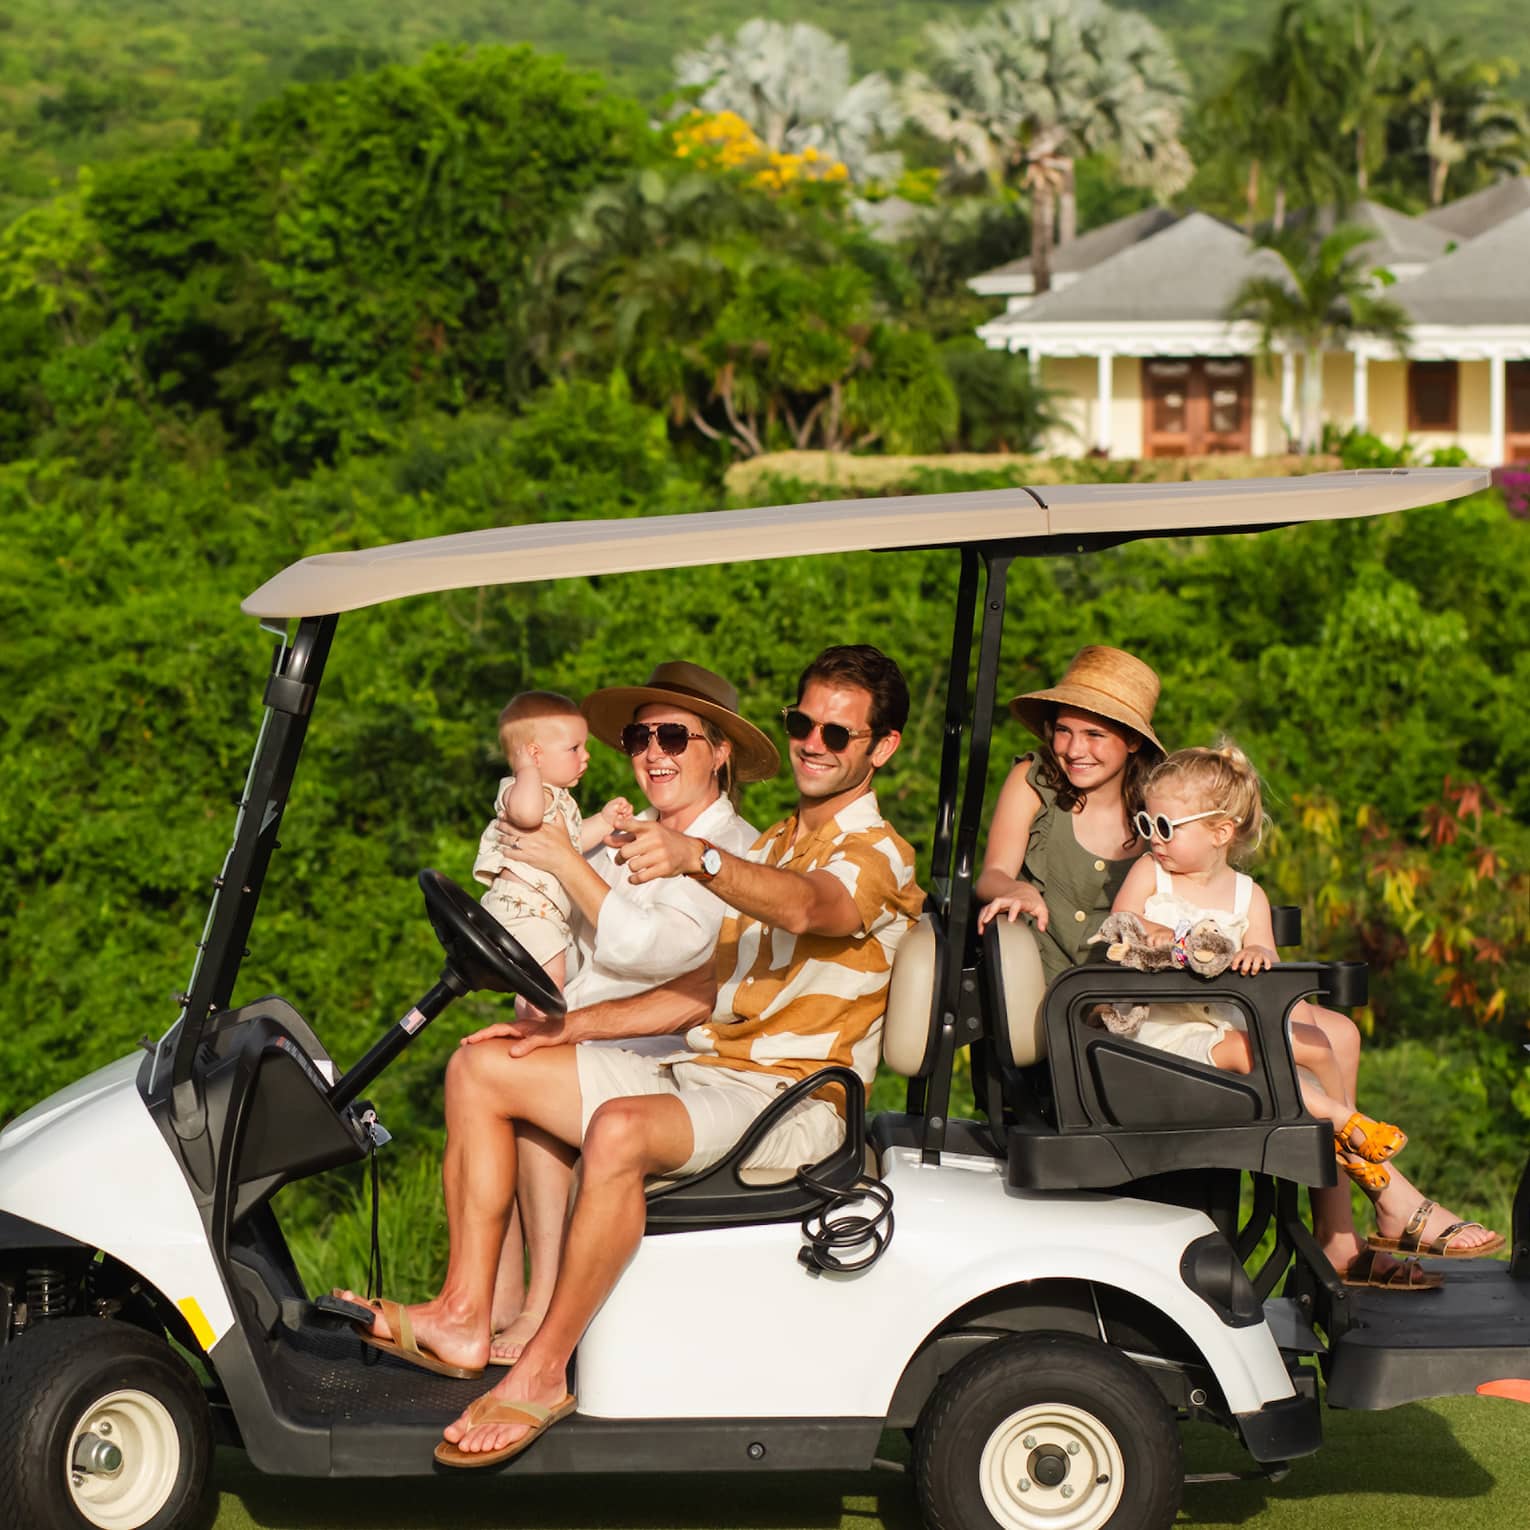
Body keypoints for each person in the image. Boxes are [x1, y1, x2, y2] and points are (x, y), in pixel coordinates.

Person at [341, 644, 925, 1466]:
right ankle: (465, 1312)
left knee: (618, 1129)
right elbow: (703, 990)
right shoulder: (787, 837)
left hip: (798, 1099)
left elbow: (812, 907)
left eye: (839, 733)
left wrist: (699, 858)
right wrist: (565, 1028)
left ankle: (542, 1370)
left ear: (882, 747)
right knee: (484, 1065)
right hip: (713, 1072)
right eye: (803, 723)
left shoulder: (877, 854)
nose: (814, 744)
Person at [1111, 743, 1503, 1287]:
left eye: (1162, 824)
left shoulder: (1248, 894)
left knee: (1336, 1034)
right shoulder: (1150, 876)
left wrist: (1258, 955)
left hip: (1223, 1018)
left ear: (1221, 833)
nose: (1151, 836)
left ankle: (1345, 1220)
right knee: (1289, 1049)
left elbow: (1266, 952)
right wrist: (1154, 933)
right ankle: (1365, 1156)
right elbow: (1122, 925)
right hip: (1166, 1029)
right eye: (1144, 821)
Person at [475, 662, 776, 1365]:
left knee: (511, 1070)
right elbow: (567, 938)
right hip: (586, 1034)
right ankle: (487, 1301)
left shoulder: (733, 853)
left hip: (666, 1047)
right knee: (489, 1057)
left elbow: (655, 951)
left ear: (719, 752)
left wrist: (566, 862)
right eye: (640, 737)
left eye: (673, 736)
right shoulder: (618, 830)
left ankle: (544, 1307)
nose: (653, 753)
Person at [974, 645, 1162, 970]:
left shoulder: (1159, 809)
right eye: (1064, 731)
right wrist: (1019, 890)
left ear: (1133, 742)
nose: (1075, 750)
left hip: (1115, 995)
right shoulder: (1033, 782)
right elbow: (992, 875)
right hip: (1031, 978)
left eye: (1094, 734)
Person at [472, 691, 633, 998]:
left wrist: (603, 820)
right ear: (534, 754)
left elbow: (572, 844)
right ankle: (533, 1023)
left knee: (554, 978)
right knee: (548, 982)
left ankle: (533, 1021)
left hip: (546, 916)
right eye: (574, 748)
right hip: (520, 910)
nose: (586, 756)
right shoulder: (518, 790)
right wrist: (527, 771)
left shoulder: (561, 801)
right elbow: (528, 816)